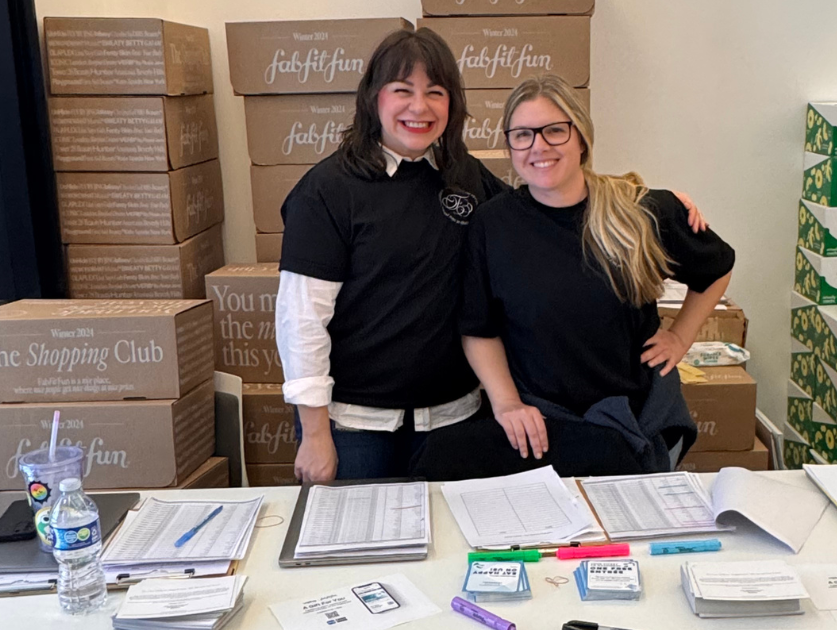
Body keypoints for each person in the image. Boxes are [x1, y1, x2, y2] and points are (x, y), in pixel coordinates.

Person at [277, 30, 709, 483]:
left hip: (454, 421)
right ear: (373, 99)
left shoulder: (461, 175)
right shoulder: (327, 191)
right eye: (402, 91)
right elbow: (300, 320)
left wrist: (640, 197)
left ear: (453, 105)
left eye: (435, 93)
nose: (419, 108)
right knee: (363, 550)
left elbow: (545, 200)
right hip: (356, 429)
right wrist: (315, 433)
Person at [412, 74, 735, 480]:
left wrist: (680, 336)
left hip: (633, 421)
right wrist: (507, 403)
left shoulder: (640, 211)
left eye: (554, 131)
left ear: (581, 137)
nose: (538, 146)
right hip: (542, 423)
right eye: (522, 135)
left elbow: (717, 266)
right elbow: (479, 328)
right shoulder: (492, 225)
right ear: (510, 145)